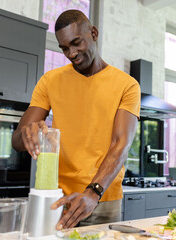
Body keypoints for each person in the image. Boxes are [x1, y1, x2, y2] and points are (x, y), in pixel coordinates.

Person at [12, 9, 141, 229]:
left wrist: (93, 192)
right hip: (59, 200)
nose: (71, 53)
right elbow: (17, 140)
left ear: (93, 32)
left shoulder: (127, 85)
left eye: (76, 43)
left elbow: (121, 144)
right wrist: (28, 133)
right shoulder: (50, 81)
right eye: (64, 48)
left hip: (103, 198)